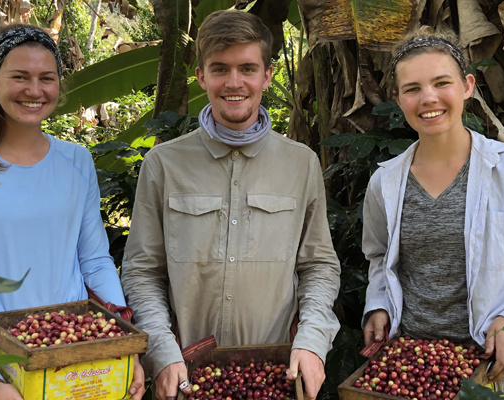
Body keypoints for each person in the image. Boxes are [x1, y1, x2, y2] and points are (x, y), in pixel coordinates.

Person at [120, 10, 341, 400]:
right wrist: (161, 351)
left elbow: (318, 265)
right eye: (220, 69)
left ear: (267, 75)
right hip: (184, 376)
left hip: (275, 377)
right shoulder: (164, 163)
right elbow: (142, 271)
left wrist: (311, 341)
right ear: (202, 76)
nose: (234, 83)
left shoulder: (301, 162)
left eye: (247, 68)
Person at [0, 24, 145, 400]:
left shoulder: (76, 160)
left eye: (47, 78)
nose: (34, 90)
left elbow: (94, 261)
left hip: (77, 354)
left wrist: (122, 348)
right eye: (19, 77)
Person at [360, 27, 504, 392]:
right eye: (413, 88)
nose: (428, 98)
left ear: (467, 86)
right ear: (398, 98)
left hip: (490, 367)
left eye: (441, 82)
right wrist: (379, 306)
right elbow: (378, 258)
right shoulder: (384, 183)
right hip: (411, 365)